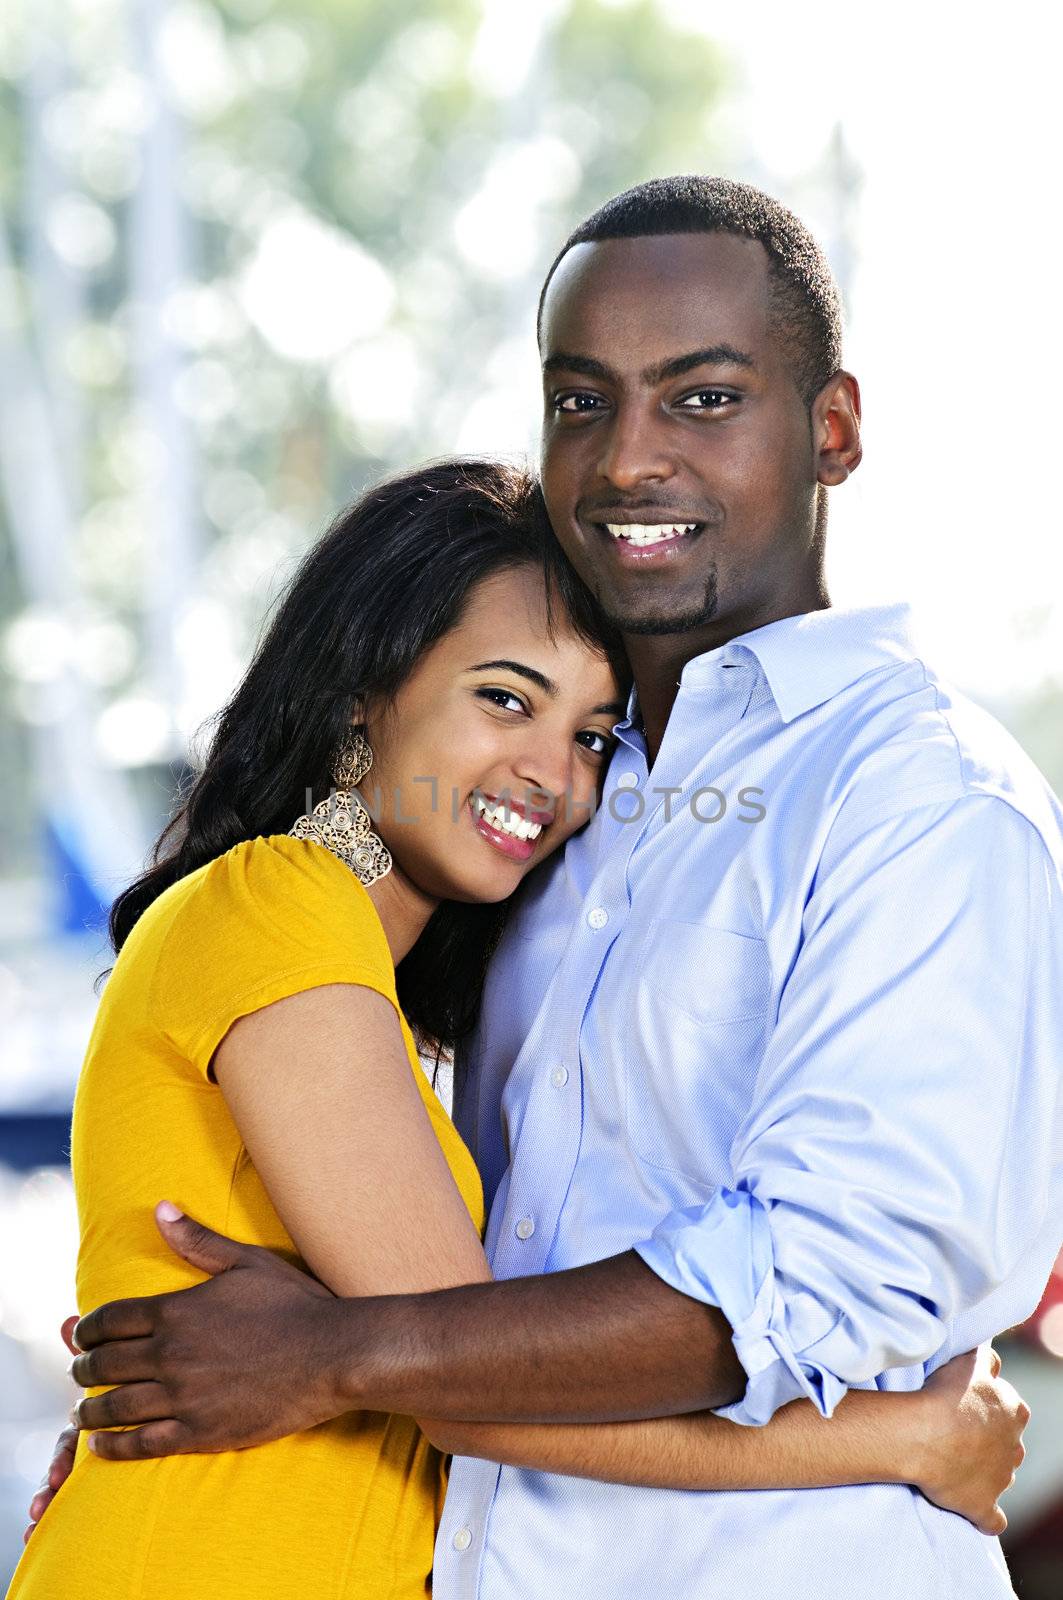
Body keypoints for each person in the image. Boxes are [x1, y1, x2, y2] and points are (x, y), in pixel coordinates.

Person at [29, 178, 1062, 1598]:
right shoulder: (490, 857)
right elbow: (458, 1319)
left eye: (701, 398)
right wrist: (908, 1430)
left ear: (832, 429)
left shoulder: (921, 795)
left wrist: (334, 1357)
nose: (630, 457)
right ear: (365, 699)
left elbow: (815, 1271)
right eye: (581, 401)